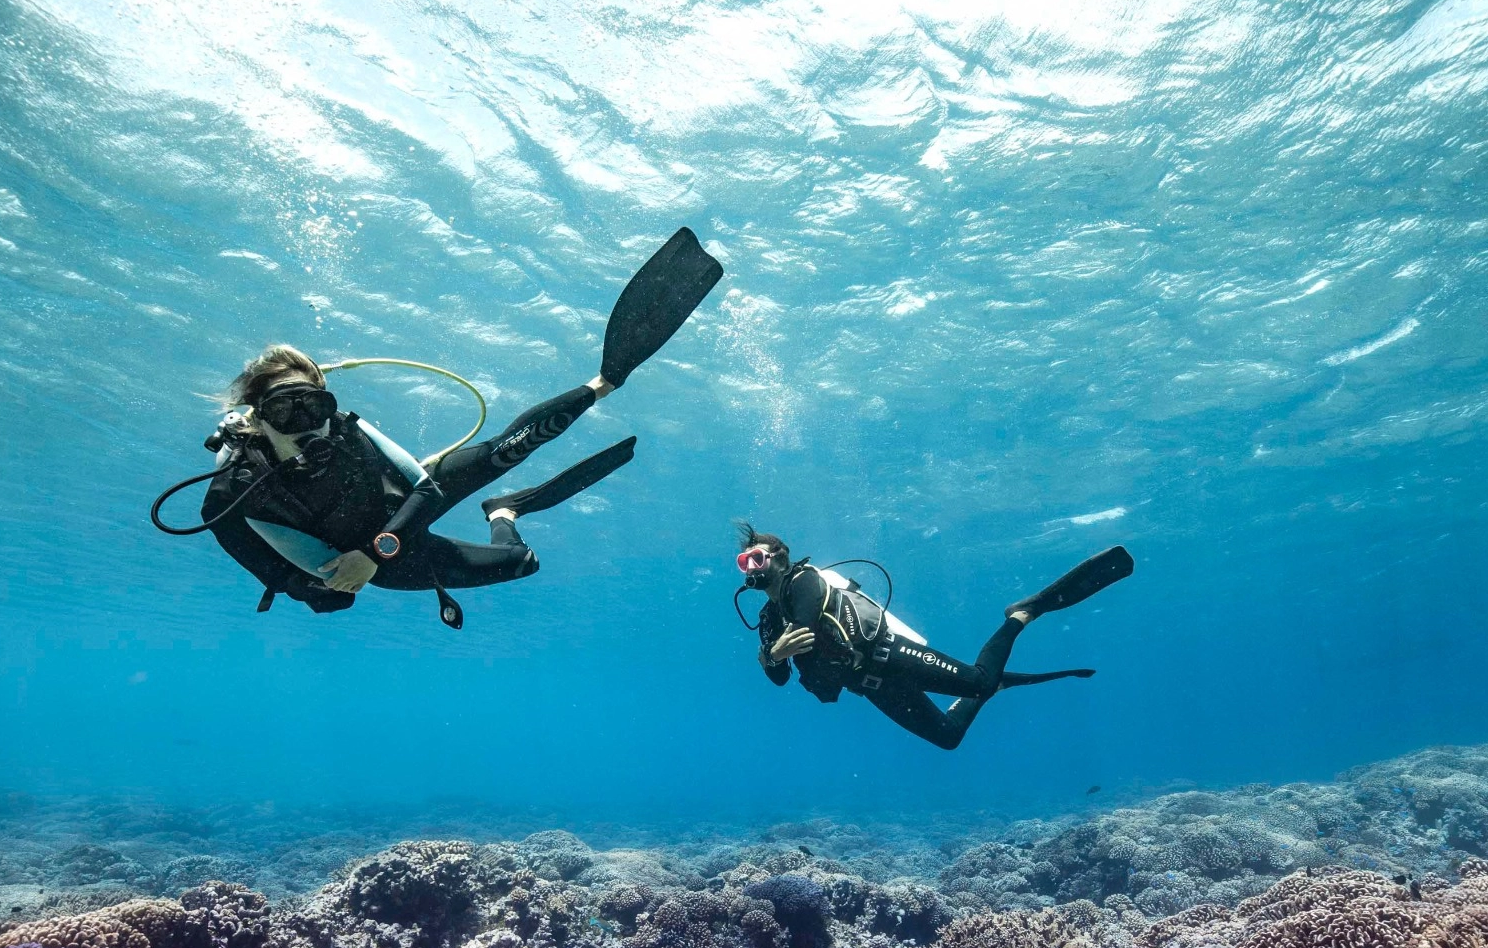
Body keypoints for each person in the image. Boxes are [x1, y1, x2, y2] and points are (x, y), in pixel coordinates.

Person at [169, 229, 723, 623]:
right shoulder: (230, 492)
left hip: (407, 504)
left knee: (508, 449)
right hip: (388, 562)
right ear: (256, 417)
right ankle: (504, 513)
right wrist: (309, 588)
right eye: (286, 412)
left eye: (314, 407)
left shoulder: (344, 429)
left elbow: (426, 486)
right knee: (521, 565)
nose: (308, 426)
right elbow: (260, 560)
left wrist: (375, 548)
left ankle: (603, 383)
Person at [737, 525, 1133, 749]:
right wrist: (770, 657)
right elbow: (780, 677)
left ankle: (1020, 615)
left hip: (889, 656)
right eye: (743, 563)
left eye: (757, 557)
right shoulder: (769, 617)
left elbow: (805, 625)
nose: (750, 567)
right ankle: (992, 684)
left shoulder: (803, 579)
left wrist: (773, 652)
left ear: (781, 557)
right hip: (869, 685)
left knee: (978, 682)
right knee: (947, 737)